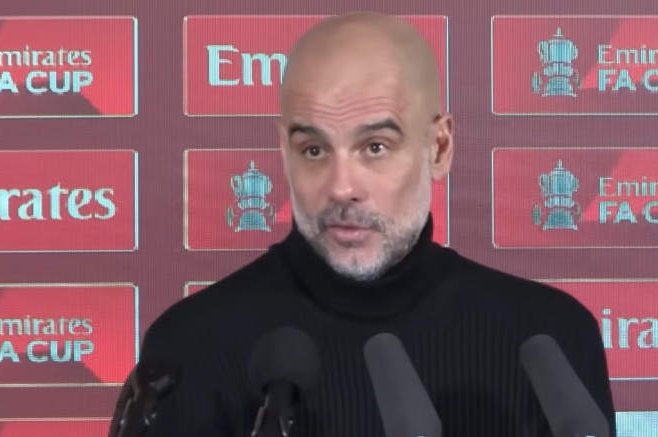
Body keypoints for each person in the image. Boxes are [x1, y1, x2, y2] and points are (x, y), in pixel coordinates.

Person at [136, 11, 616, 436]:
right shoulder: (190, 345)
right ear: (284, 151)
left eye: (375, 147)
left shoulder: (549, 337)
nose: (342, 187)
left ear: (439, 148)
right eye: (314, 150)